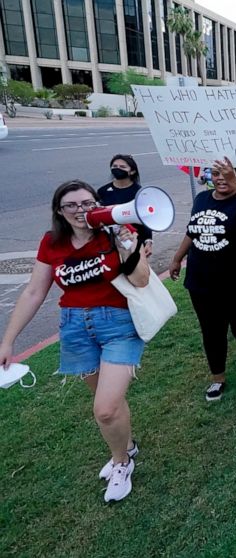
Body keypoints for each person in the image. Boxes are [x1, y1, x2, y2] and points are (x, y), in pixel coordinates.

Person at [0, 180, 150, 502]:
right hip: (75, 328)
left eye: (87, 203)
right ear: (60, 211)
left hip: (118, 325)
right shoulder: (52, 243)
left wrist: (129, 248)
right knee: (107, 402)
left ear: (97, 204)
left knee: (106, 409)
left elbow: (141, 280)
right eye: (72, 205)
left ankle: (121, 462)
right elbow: (34, 292)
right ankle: (127, 446)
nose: (82, 210)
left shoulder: (114, 234)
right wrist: (8, 340)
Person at [170, 158, 236, 402]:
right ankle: (218, 378)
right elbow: (193, 231)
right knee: (211, 330)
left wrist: (234, 180)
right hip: (202, 279)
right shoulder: (202, 199)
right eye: (216, 173)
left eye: (227, 173)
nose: (221, 178)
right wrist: (177, 258)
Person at [97, 154, 152, 249]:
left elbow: (146, 219)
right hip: (110, 241)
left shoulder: (140, 193)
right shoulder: (103, 191)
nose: (117, 169)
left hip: (135, 240)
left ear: (132, 171)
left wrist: (148, 241)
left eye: (122, 167)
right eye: (114, 166)